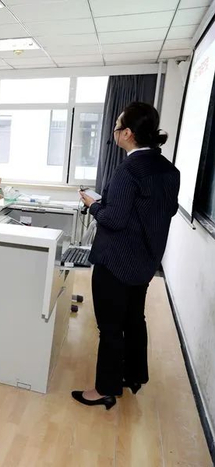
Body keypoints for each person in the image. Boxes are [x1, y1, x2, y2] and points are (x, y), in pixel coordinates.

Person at [72, 102, 180, 410]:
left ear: (128, 133)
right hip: (145, 260)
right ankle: (134, 375)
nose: (115, 132)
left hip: (116, 261)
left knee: (110, 327)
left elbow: (115, 219)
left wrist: (94, 205)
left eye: (118, 127)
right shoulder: (168, 169)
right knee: (134, 318)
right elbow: (164, 210)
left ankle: (105, 389)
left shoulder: (129, 169)